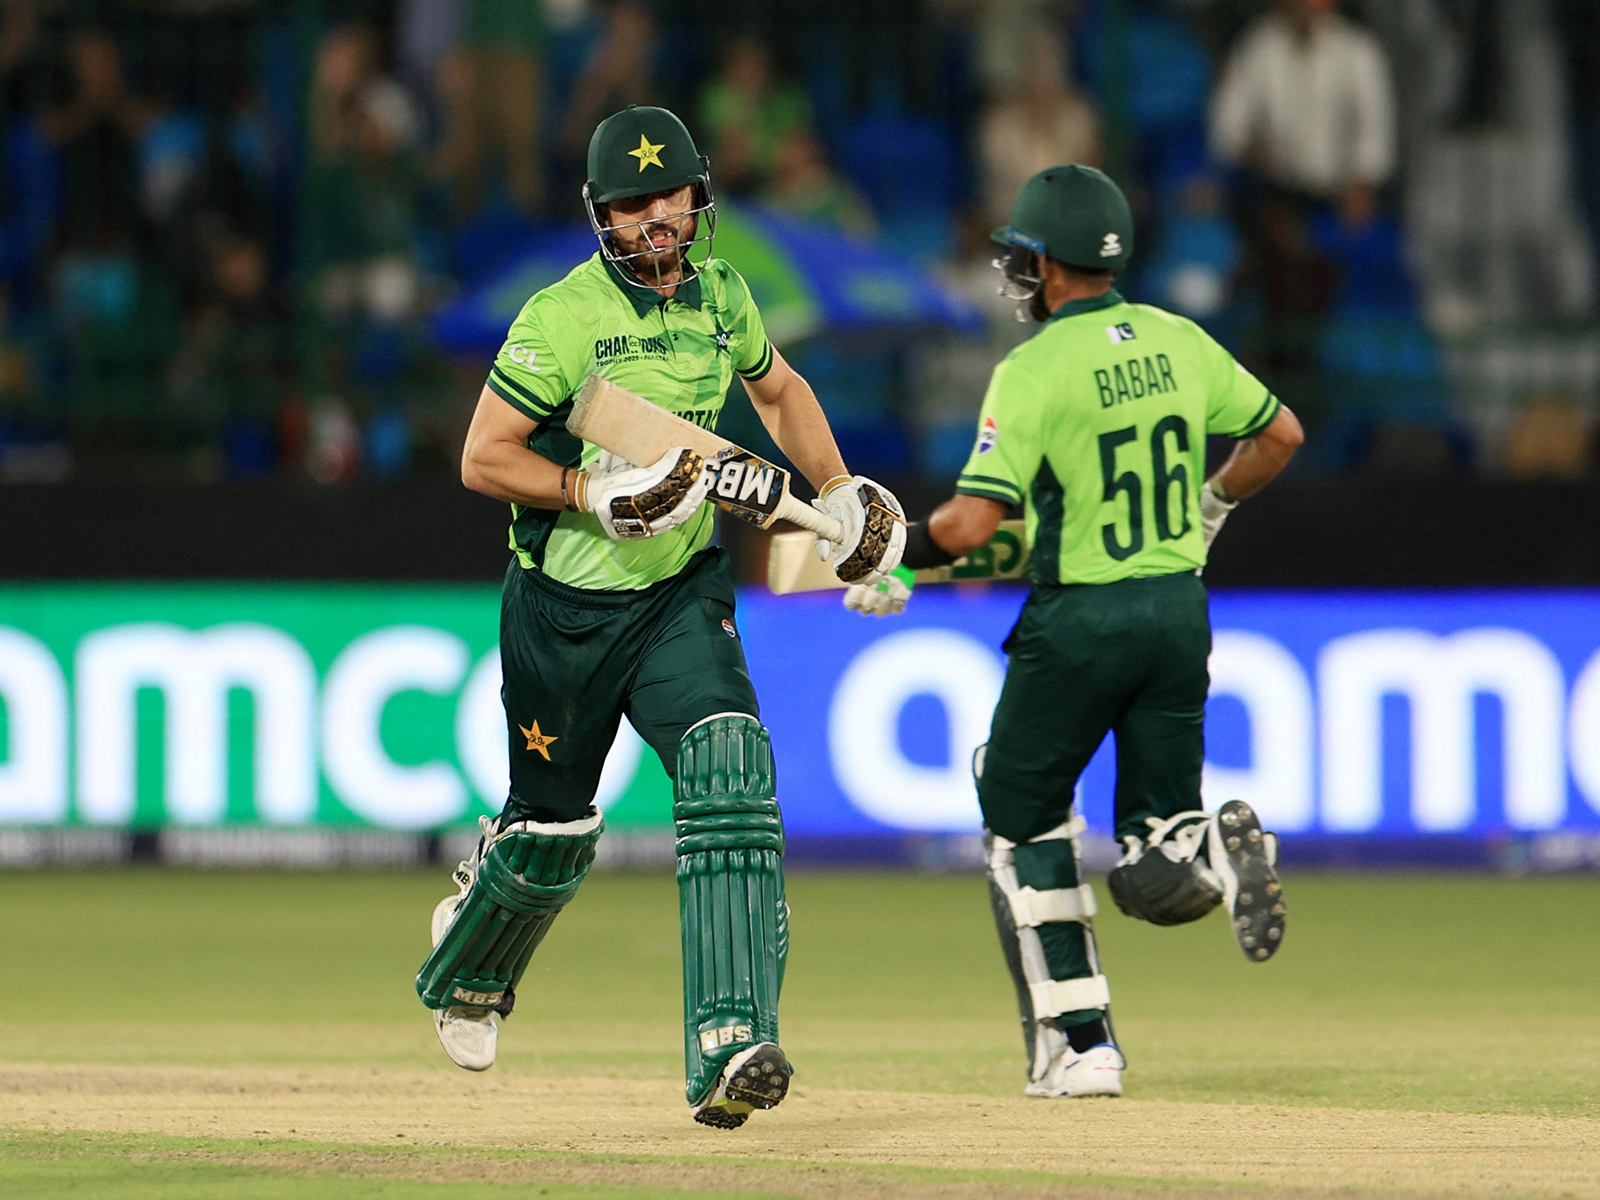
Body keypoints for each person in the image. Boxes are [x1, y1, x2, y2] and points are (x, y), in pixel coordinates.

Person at [414, 104, 905, 1129]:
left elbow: (779, 394)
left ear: (697, 198)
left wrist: (837, 490)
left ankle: (731, 1044)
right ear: (602, 215)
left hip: (680, 592)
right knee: (551, 835)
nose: (655, 220)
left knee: (731, 767)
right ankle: (472, 955)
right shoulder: (559, 317)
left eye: (669, 198)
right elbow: (481, 458)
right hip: (564, 609)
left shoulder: (724, 296)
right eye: (632, 205)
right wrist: (591, 492)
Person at [847, 166, 1302, 1099]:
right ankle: (1204, 849)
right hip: (1176, 612)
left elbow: (971, 525)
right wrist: (1213, 504)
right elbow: (1281, 434)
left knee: (1017, 810)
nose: (1018, 273)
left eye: (1024, 257)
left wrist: (891, 553)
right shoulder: (1179, 338)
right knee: (1151, 863)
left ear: (1049, 266)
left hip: (1081, 622)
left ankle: (1081, 1045)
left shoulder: (1034, 369)